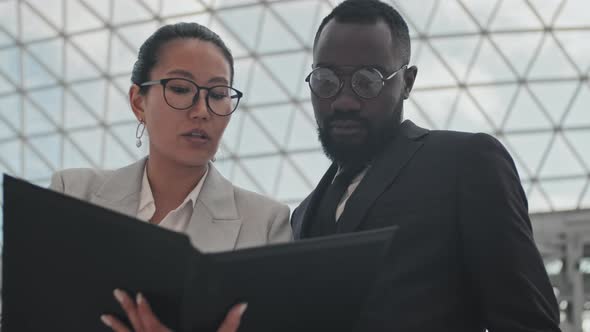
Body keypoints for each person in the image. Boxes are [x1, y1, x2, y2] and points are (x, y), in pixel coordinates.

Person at [290, 0, 561, 331]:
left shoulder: (466, 163)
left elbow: (529, 322)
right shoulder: (302, 215)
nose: (344, 100)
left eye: (367, 80)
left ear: (407, 82)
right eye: (326, 80)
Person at [49, 22, 291, 331]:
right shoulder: (72, 194)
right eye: (180, 89)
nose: (202, 110)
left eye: (218, 94)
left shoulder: (266, 224)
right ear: (139, 102)